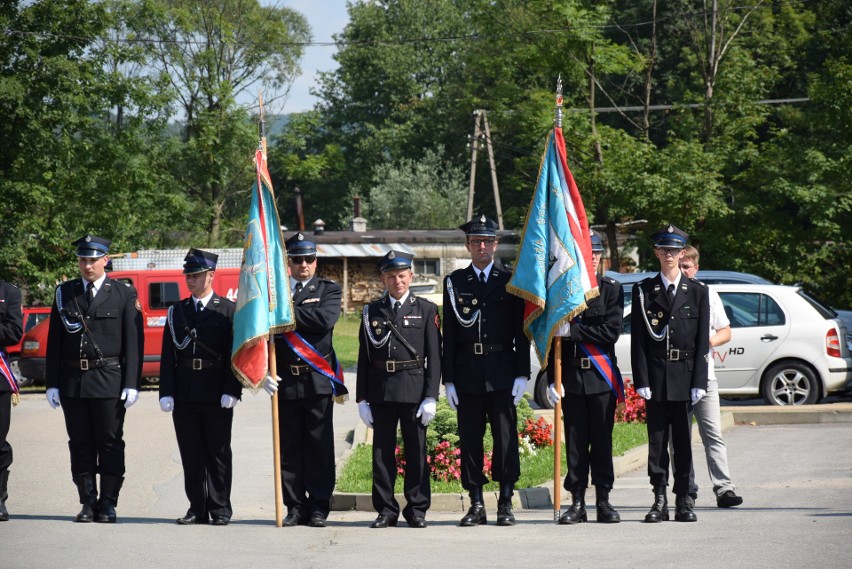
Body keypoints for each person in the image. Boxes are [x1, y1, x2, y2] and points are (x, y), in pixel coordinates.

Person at [45, 234, 143, 523]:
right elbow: (54, 341)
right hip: (73, 381)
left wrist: (131, 383)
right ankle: (87, 502)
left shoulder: (123, 293)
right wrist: (52, 382)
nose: (87, 266)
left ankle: (109, 503)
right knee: (80, 443)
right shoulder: (65, 292)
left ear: (105, 260)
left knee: (110, 442)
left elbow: (133, 343)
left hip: (109, 380)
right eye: (82, 260)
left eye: (92, 260)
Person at [442, 215, 529, 527]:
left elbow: (522, 331)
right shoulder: (454, 283)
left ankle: (505, 501)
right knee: (470, 439)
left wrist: (522, 373)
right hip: (467, 372)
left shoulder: (512, 280)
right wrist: (448, 379)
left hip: (503, 370)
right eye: (476, 242)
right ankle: (476, 502)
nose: (482, 246)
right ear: (467, 246)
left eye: (487, 241)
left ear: (496, 244)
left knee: (505, 438)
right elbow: (449, 335)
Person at [262, 232, 346, 528]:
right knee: (290, 448)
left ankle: (319, 506)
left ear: (315, 261)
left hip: (317, 380)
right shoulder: (277, 292)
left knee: (319, 447)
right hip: (285, 381)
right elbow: (265, 330)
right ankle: (295, 506)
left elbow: (324, 320)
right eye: (297, 260)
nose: (303, 265)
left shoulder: (329, 289)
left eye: (308, 259)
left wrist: (285, 313)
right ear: (289, 262)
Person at [356, 250, 441, 529]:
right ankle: (386, 509)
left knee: (416, 452)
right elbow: (364, 357)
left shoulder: (426, 310)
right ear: (383, 278)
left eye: (402, 276)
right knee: (382, 454)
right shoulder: (371, 311)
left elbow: (434, 357)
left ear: (411, 276)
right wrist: (362, 398)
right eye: (391, 276)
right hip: (381, 391)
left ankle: (417, 509)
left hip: (414, 390)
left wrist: (431, 396)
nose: (397, 281)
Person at [631, 224, 709, 523]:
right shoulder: (644, 291)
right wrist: (642, 380)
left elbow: (702, 341)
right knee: (657, 441)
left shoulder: (698, 291)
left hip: (685, 375)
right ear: (656, 253)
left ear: (681, 253)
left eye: (674, 250)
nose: (669, 255)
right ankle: (659, 498)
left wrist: (699, 381)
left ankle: (684, 499)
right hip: (656, 374)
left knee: (683, 443)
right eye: (664, 249)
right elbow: (639, 340)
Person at [159, 249, 241, 526]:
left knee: (218, 453)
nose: (190, 280)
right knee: (191, 454)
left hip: (216, 391)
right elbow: (168, 355)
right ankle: (197, 507)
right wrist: (166, 391)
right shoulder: (177, 311)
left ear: (210, 275)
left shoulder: (228, 311)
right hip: (185, 392)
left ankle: (220, 509)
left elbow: (235, 354)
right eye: (188, 276)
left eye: (195, 275)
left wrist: (233, 389)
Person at [546, 231, 623, 525]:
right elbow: (550, 339)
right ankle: (577, 502)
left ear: (600, 257)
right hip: (572, 377)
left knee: (602, 441)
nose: (590, 257)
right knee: (576, 442)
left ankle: (604, 500)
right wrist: (552, 376)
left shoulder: (610, 289)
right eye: (585, 252)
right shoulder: (562, 291)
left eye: (595, 253)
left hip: (600, 378)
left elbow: (610, 333)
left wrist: (574, 332)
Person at [678, 245, 743, 508]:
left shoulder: (706, 293)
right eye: (679, 266)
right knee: (679, 438)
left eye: (686, 266)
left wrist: (708, 342)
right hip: (677, 377)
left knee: (713, 433)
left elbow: (725, 331)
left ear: (696, 268)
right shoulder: (668, 293)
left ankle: (724, 488)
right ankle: (687, 490)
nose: (682, 270)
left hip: (705, 377)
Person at [0, 278, 23, 522]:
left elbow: (14, 332)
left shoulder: (9, 292)